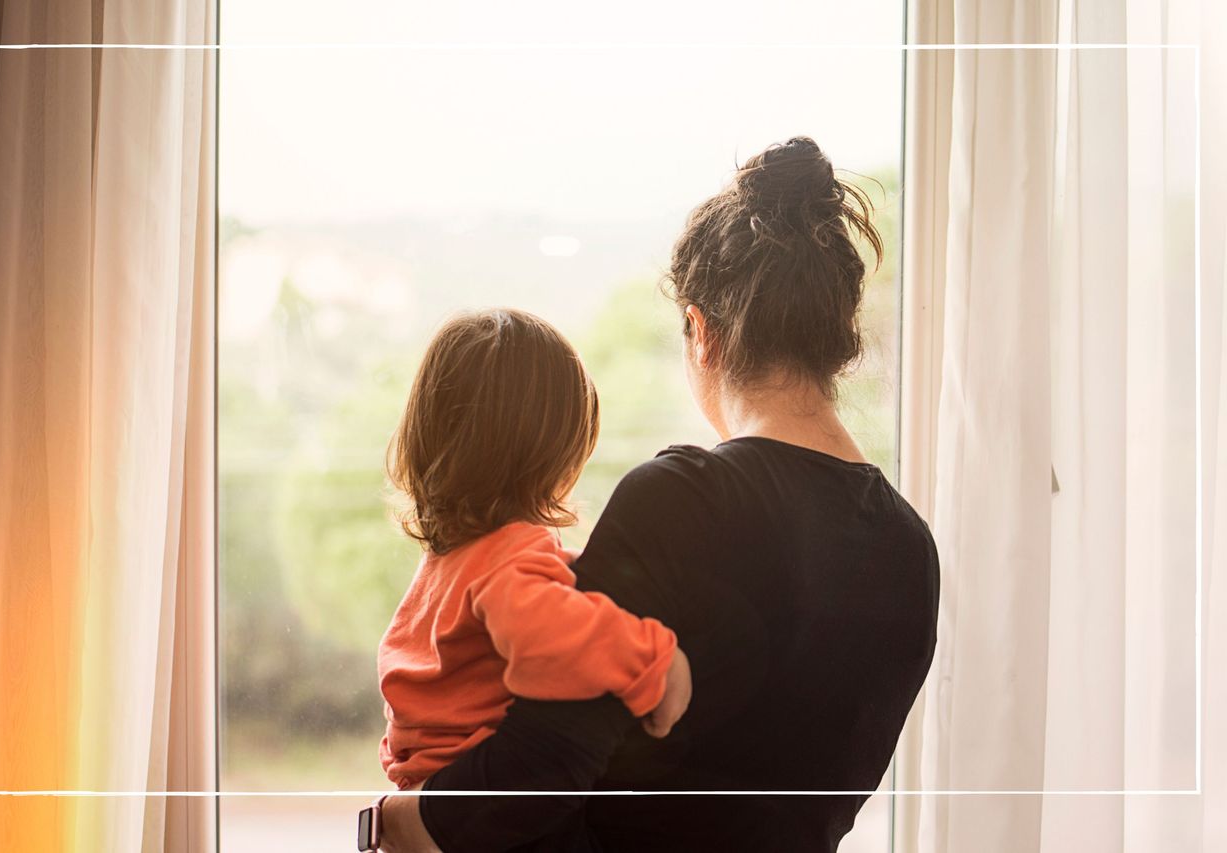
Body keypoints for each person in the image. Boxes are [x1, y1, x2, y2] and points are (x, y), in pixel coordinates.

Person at [378, 136, 941, 852]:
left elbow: (544, 761)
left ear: (700, 332)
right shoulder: (909, 549)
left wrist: (393, 820)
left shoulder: (684, 501)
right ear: (836, 338)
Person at [377, 309, 693, 791]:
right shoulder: (508, 559)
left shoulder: (447, 561)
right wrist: (654, 662)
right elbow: (557, 641)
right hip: (479, 814)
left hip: (429, 795)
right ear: (551, 458)